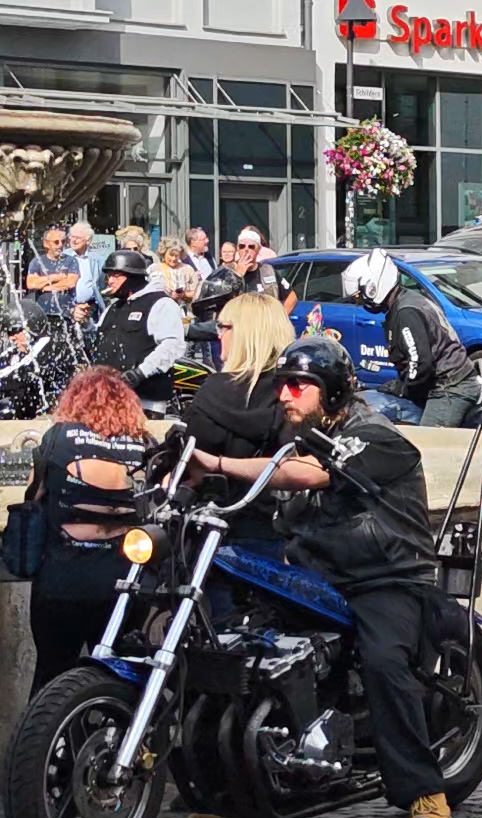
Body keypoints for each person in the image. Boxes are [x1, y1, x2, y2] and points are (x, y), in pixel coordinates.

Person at [189, 336, 459, 818]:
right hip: (319, 576)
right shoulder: (300, 435)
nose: (284, 395)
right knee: (242, 652)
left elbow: (307, 475)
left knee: (383, 662)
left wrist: (217, 463)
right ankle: (235, 793)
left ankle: (426, 790)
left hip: (387, 575)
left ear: (331, 391)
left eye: (298, 385)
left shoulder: (374, 434)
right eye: (282, 385)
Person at [21, 367, 151, 693]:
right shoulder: (145, 445)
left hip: (63, 582)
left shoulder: (57, 438)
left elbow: (31, 497)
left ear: (74, 401)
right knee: (120, 680)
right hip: (125, 584)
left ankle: (49, 727)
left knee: (51, 677)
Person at [180, 292, 296, 548]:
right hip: (278, 531)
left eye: (223, 326)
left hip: (212, 529)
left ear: (245, 333)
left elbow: (187, 456)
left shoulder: (213, 392)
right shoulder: (294, 395)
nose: (218, 334)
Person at [342, 249, 482, 427]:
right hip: (445, 384)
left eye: (359, 297)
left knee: (426, 441)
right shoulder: (406, 301)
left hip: (449, 389)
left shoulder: (406, 312)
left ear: (373, 287)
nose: (360, 303)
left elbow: (420, 363)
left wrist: (404, 388)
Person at [94, 250, 186, 406]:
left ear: (133, 277)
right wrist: (84, 324)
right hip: (111, 396)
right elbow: (99, 340)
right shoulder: (114, 307)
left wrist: (140, 373)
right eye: (108, 276)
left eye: (116, 276)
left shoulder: (160, 303)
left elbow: (172, 345)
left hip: (146, 397)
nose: (110, 281)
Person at [25, 227, 80, 324]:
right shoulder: (37, 262)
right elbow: (31, 284)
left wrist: (45, 287)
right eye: (56, 242)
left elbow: (70, 283)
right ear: (46, 243)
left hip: (66, 314)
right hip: (43, 314)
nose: (60, 245)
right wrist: (56, 277)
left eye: (63, 241)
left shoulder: (71, 261)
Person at [64, 221, 103, 317]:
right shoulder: (63, 257)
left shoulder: (97, 259)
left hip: (90, 309)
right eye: (72, 236)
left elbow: (102, 285)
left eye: (78, 237)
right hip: (68, 308)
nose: (74, 240)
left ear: (88, 240)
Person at [151, 236, 201, 306]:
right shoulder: (154, 268)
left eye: (176, 255)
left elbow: (197, 292)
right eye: (171, 255)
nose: (173, 258)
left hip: (182, 309)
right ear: (164, 252)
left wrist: (183, 295)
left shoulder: (187, 269)